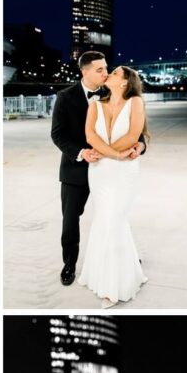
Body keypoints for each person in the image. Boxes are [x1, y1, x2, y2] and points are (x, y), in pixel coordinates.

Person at [50, 52, 144, 288]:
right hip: (76, 169)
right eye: (100, 70)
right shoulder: (65, 96)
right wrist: (81, 153)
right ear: (85, 71)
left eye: (106, 69)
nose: (105, 73)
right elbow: (58, 134)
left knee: (115, 215)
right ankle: (69, 264)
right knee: (70, 220)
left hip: (110, 169)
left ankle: (124, 259)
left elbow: (136, 131)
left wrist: (140, 146)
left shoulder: (114, 92)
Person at [78, 65, 149, 308]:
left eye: (115, 73)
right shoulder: (95, 105)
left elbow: (132, 136)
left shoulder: (136, 102)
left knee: (114, 219)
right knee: (105, 220)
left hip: (123, 174)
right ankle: (108, 275)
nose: (109, 74)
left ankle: (114, 287)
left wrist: (111, 155)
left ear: (125, 83)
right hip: (99, 172)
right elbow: (90, 136)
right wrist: (115, 155)